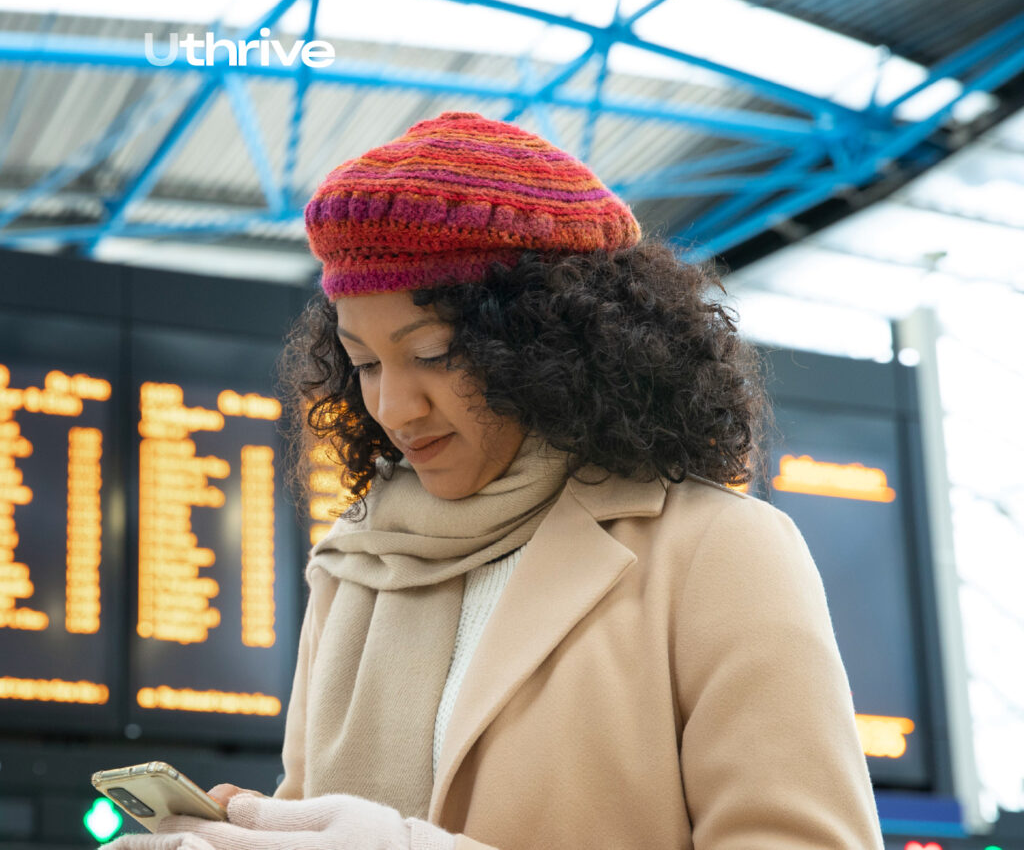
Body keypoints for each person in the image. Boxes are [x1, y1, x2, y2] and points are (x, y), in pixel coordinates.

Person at [106, 111, 882, 849]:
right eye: (365, 363)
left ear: (555, 341)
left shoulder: (723, 553)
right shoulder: (354, 566)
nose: (392, 407)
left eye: (435, 353)